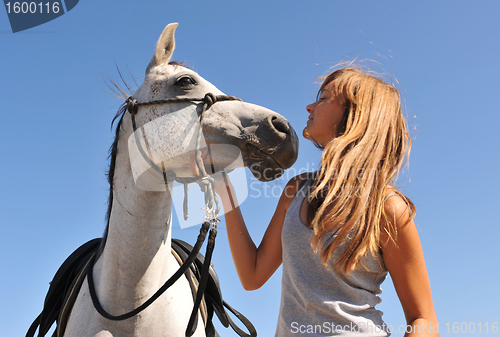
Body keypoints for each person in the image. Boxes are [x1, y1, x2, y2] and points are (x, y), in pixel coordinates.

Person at [192, 65, 438, 336]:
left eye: (323, 99)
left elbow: (423, 318)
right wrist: (225, 188)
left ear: (355, 114)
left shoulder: (389, 208)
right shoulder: (296, 190)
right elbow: (252, 275)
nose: (309, 106)